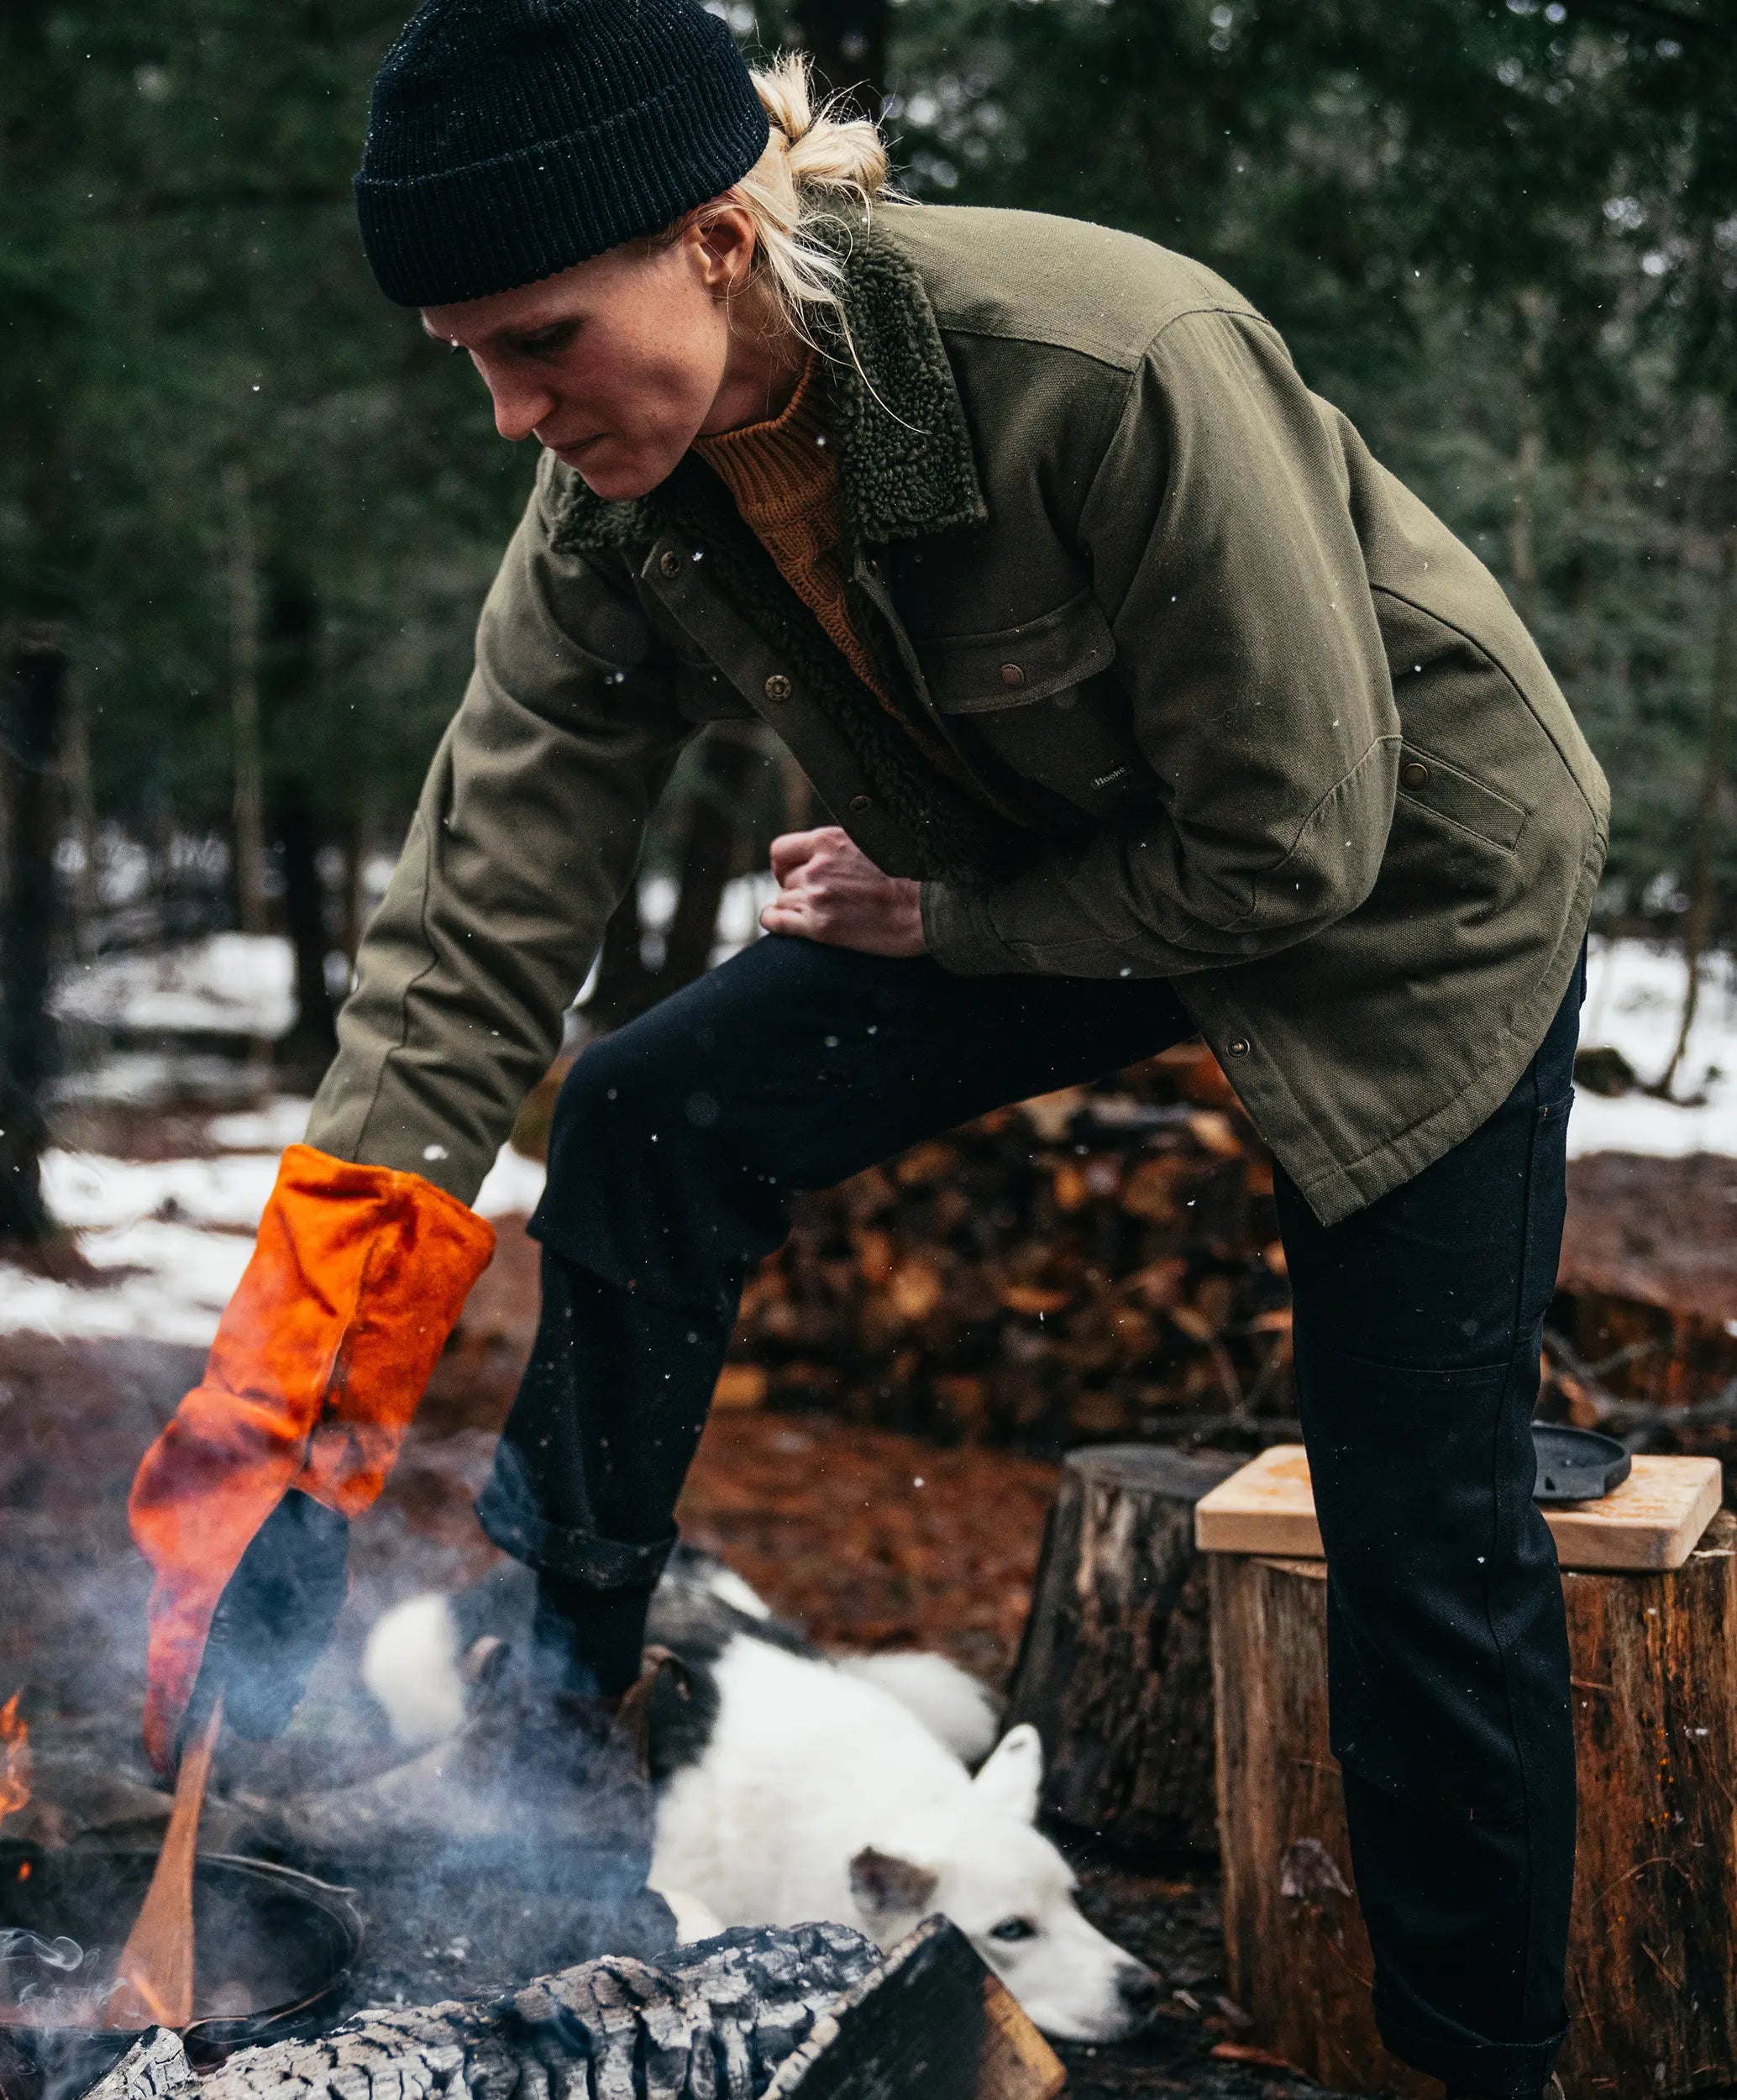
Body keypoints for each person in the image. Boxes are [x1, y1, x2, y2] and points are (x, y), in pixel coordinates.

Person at [128, 4, 1608, 2093]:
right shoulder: (615, 496)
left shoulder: (1108, 365)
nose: (505, 411)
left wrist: (956, 922)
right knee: (646, 1109)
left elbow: (1293, 840)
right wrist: (279, 1404)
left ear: (716, 243)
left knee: (1414, 1520)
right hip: (1036, 865)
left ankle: (1486, 2061)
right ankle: (556, 1814)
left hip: (1400, 895)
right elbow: (473, 916)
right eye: (467, 354)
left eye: (538, 338)